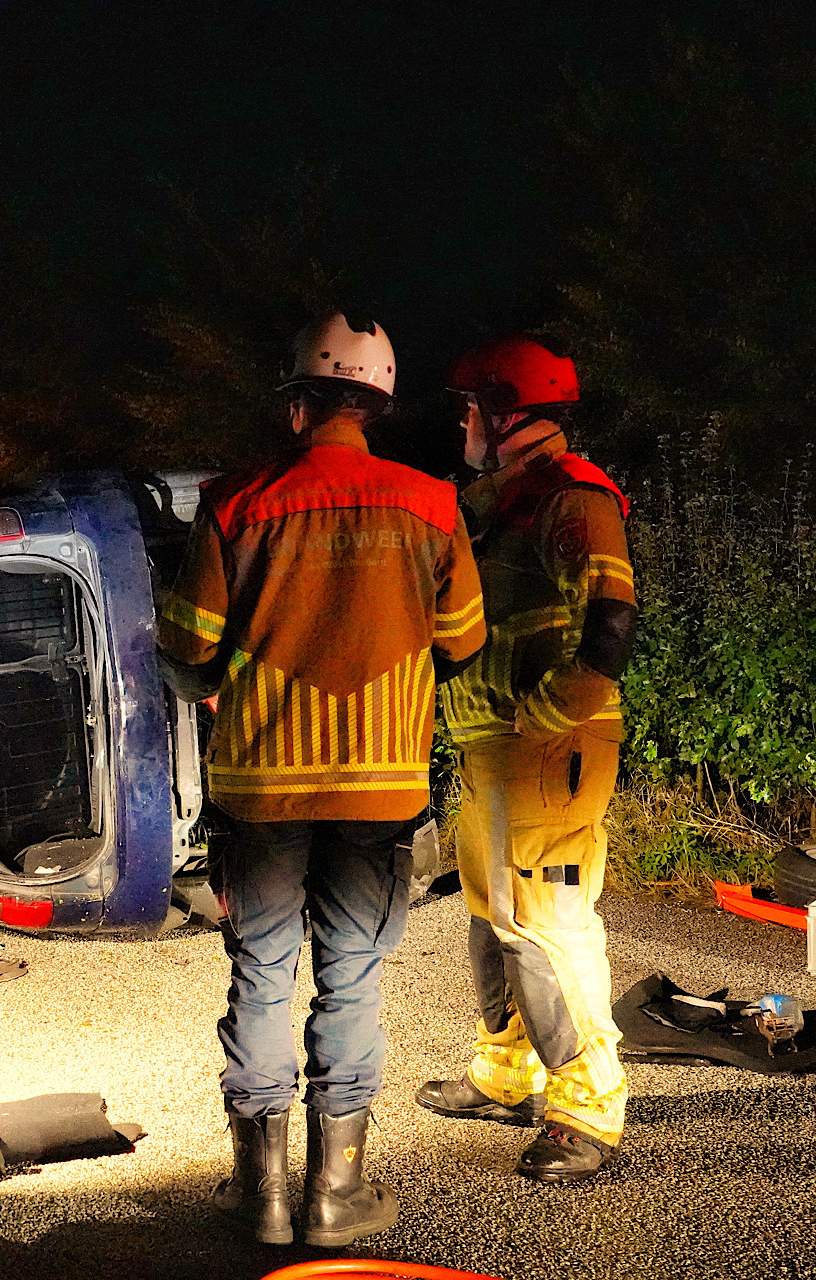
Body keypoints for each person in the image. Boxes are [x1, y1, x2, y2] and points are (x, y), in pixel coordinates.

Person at [157, 313, 486, 1247]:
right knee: (352, 986)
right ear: (376, 406)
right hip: (379, 792)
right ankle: (335, 1197)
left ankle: (259, 1194)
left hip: (261, 785)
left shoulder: (236, 501)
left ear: (299, 405)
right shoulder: (431, 504)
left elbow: (186, 649)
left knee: (261, 976)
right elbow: (462, 643)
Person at [417, 333, 637, 1183]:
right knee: (490, 913)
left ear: (509, 411)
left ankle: (588, 1105)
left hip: (543, 748)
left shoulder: (570, 497)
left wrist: (549, 715)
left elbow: (611, 620)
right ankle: (508, 1072)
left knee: (545, 926)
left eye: (471, 406)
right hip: (495, 747)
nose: (462, 422)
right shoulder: (501, 499)